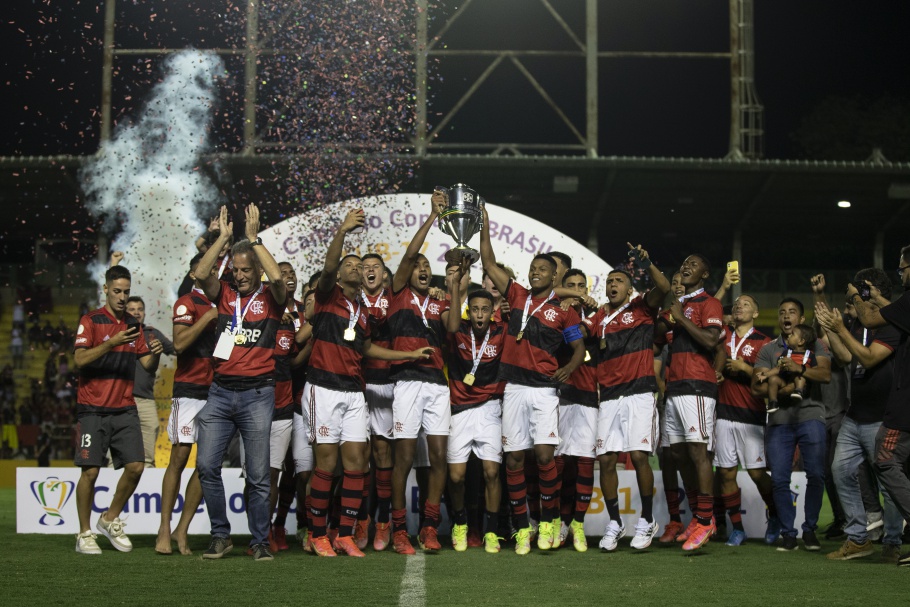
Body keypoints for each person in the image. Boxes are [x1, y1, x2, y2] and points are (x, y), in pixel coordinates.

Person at [306, 209, 434, 557]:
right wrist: (343, 231)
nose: (356, 267)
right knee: (326, 465)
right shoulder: (328, 295)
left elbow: (367, 347)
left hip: (355, 392)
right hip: (323, 387)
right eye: (352, 264)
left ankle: (346, 534)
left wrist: (408, 355)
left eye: (359, 265)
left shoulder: (363, 311)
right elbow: (330, 266)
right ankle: (318, 532)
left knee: (356, 465)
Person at [480, 206, 586, 555]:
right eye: (533, 269)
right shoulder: (517, 296)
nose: (536, 273)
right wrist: (484, 225)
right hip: (513, 389)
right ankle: (523, 528)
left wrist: (570, 366)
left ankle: (548, 521)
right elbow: (489, 262)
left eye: (543, 269)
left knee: (543, 456)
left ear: (555, 276)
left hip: (543, 391)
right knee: (513, 460)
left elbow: (579, 346)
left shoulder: (564, 310)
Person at [194, 204, 288, 561]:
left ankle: (260, 541)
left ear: (257, 270)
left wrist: (253, 239)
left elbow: (277, 278)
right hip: (219, 393)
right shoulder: (226, 294)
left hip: (257, 395)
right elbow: (201, 274)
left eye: (248, 270)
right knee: (206, 466)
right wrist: (222, 239)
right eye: (237, 270)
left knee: (259, 476)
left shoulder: (271, 298)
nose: (242, 276)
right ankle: (221, 535)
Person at [72, 265, 164, 555]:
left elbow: (144, 364)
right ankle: (84, 533)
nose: (122, 297)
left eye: (126, 291)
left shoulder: (133, 326)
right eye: (117, 291)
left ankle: (110, 519)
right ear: (106, 290)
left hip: (125, 407)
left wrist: (155, 355)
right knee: (90, 472)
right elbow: (79, 359)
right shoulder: (91, 321)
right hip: (93, 409)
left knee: (136, 467)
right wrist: (111, 343)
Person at [815, 269, 904, 563]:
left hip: (883, 416)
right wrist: (833, 327)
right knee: (841, 472)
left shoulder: (893, 321)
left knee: (888, 484)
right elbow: (845, 357)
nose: (851, 302)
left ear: (869, 293)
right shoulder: (858, 324)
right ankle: (857, 538)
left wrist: (839, 329)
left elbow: (868, 357)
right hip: (855, 415)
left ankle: (892, 541)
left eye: (855, 295)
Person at [588, 245, 670, 552]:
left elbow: (663, 287)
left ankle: (647, 519)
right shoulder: (599, 317)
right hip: (609, 396)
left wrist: (647, 263)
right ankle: (615, 522)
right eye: (609, 282)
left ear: (629, 287)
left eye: (618, 281)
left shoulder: (641, 308)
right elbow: (579, 335)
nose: (612, 285)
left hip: (639, 393)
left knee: (638, 456)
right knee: (607, 460)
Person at [386, 194, 452, 555]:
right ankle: (399, 529)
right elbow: (410, 255)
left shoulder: (440, 301)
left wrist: (455, 286)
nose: (423, 268)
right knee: (405, 459)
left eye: (428, 266)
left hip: (437, 385)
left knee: (439, 457)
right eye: (418, 266)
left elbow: (453, 325)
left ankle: (429, 527)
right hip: (407, 382)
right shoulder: (397, 293)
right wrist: (431, 218)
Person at [846, 247, 910, 567]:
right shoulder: (905, 305)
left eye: (903, 269)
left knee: (885, 462)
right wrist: (873, 296)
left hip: (903, 403)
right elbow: (891, 309)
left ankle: (894, 535)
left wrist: (859, 296)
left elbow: (871, 317)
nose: (901, 274)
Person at [752, 298, 832, 551]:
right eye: (782, 312)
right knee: (779, 480)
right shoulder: (768, 349)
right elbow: (757, 387)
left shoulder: (815, 344)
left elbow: (825, 374)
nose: (786, 316)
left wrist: (799, 369)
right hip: (779, 420)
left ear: (801, 319)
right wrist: (788, 388)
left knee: (817, 474)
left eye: (792, 312)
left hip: (811, 415)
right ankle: (788, 533)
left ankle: (809, 530)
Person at [156, 253, 218, 555]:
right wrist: (207, 318)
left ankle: (183, 529)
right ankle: (164, 529)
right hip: (189, 390)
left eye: (215, 269)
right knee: (179, 459)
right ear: (195, 274)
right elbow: (178, 344)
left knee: (207, 466)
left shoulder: (225, 304)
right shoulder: (187, 303)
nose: (212, 273)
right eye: (206, 270)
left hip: (218, 392)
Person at [444, 258, 507, 553]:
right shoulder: (457, 329)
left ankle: (491, 531)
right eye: (476, 309)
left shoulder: (502, 331)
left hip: (490, 409)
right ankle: (460, 523)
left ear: (492, 311)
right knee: (456, 476)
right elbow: (453, 317)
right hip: (459, 410)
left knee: (492, 473)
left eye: (485, 309)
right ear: (469, 311)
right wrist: (456, 282)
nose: (480, 315)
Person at [664, 254, 724, 551]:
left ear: (704, 275)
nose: (686, 267)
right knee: (677, 453)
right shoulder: (681, 305)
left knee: (699, 453)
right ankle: (697, 515)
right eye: (684, 263)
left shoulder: (709, 303)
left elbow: (712, 341)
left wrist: (681, 319)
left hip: (698, 386)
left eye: (693, 265)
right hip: (675, 386)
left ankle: (705, 519)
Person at [713, 294, 777, 546]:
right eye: (737, 303)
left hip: (751, 415)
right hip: (722, 414)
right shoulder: (721, 335)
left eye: (747, 304)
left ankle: (775, 516)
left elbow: (769, 378)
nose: (740, 306)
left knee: (757, 473)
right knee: (726, 474)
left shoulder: (765, 342)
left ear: (756, 314)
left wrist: (745, 369)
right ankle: (737, 528)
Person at [360, 252, 395, 550]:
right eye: (366, 268)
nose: (371, 272)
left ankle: (383, 522)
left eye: (376, 268)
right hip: (355, 385)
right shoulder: (350, 299)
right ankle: (361, 520)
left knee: (383, 457)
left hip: (386, 383)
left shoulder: (396, 297)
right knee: (358, 458)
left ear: (384, 274)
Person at [125, 296, 176, 467]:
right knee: (118, 454)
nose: (136, 313)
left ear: (145, 313)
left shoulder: (153, 334)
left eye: (140, 309)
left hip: (146, 399)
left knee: (148, 458)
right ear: (125, 312)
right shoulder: (117, 334)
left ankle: (145, 488)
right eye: (132, 309)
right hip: (120, 400)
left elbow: (177, 349)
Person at [756, 324, 817, 414]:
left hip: (799, 381)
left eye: (792, 334)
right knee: (773, 379)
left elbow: (814, 372)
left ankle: (799, 391)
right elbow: (778, 368)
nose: (789, 335)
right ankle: (773, 402)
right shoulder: (786, 353)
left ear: (801, 341)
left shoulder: (810, 355)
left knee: (800, 375)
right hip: (785, 380)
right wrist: (765, 375)